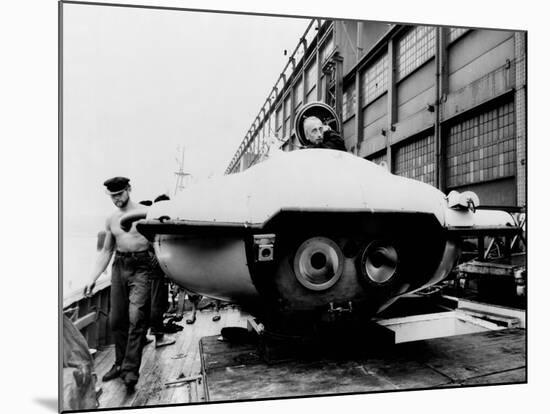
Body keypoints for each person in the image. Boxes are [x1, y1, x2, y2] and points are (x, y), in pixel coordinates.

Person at [83, 177, 152, 393]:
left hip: (141, 266)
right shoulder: (111, 219)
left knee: (137, 317)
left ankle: (130, 371)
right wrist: (92, 278)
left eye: (120, 194)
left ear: (129, 189)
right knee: (116, 320)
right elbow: (106, 251)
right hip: (119, 266)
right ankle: (120, 363)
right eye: (113, 196)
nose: (117, 200)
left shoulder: (146, 213)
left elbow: (159, 241)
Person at [148, 194, 176, 348]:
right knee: (157, 302)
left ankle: (144, 336)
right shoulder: (161, 222)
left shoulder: (150, 221)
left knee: (146, 302)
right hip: (156, 267)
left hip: (146, 268)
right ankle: (159, 338)